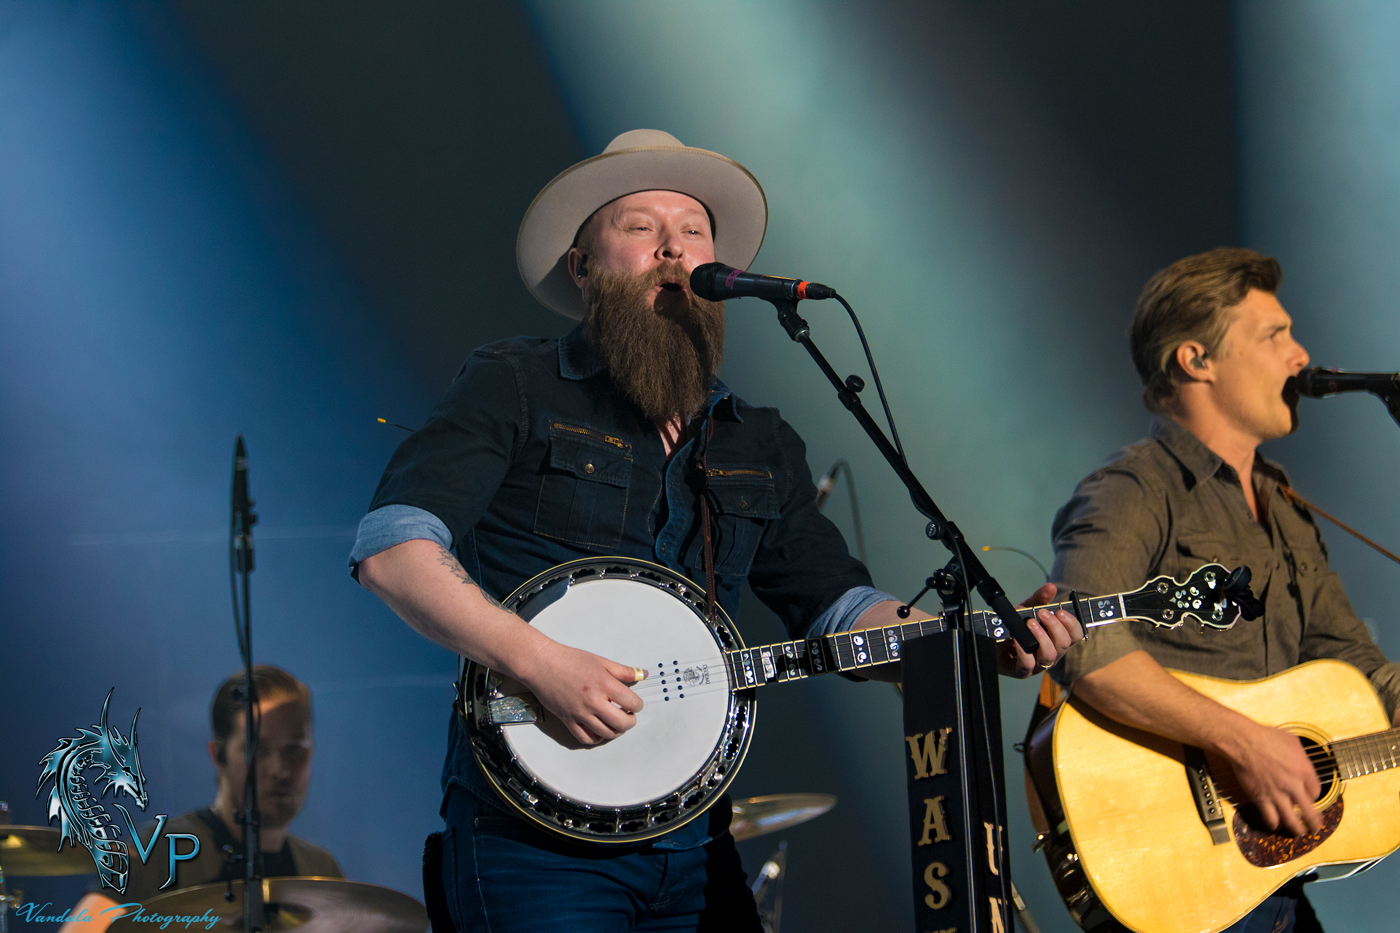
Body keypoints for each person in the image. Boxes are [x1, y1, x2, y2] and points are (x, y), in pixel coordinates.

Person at [350, 128, 1082, 932]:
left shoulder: (758, 440)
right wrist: (540, 661)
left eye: (693, 230)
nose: (674, 247)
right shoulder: (516, 383)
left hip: (697, 840)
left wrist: (965, 645)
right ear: (583, 266)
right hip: (532, 841)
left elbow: (839, 607)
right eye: (641, 226)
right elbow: (393, 548)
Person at [1048, 247, 1400, 932]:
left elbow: (1355, 664)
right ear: (1196, 360)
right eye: (1275, 335)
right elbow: (1080, 638)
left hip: (1268, 880)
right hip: (1180, 874)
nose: (1301, 356)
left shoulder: (1285, 506)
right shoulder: (1135, 489)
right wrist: (1242, 742)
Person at [61, 665, 342, 931]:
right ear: (218, 755)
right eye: (258, 750)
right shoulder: (162, 853)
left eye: (295, 750)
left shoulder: (320, 870)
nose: (280, 769)